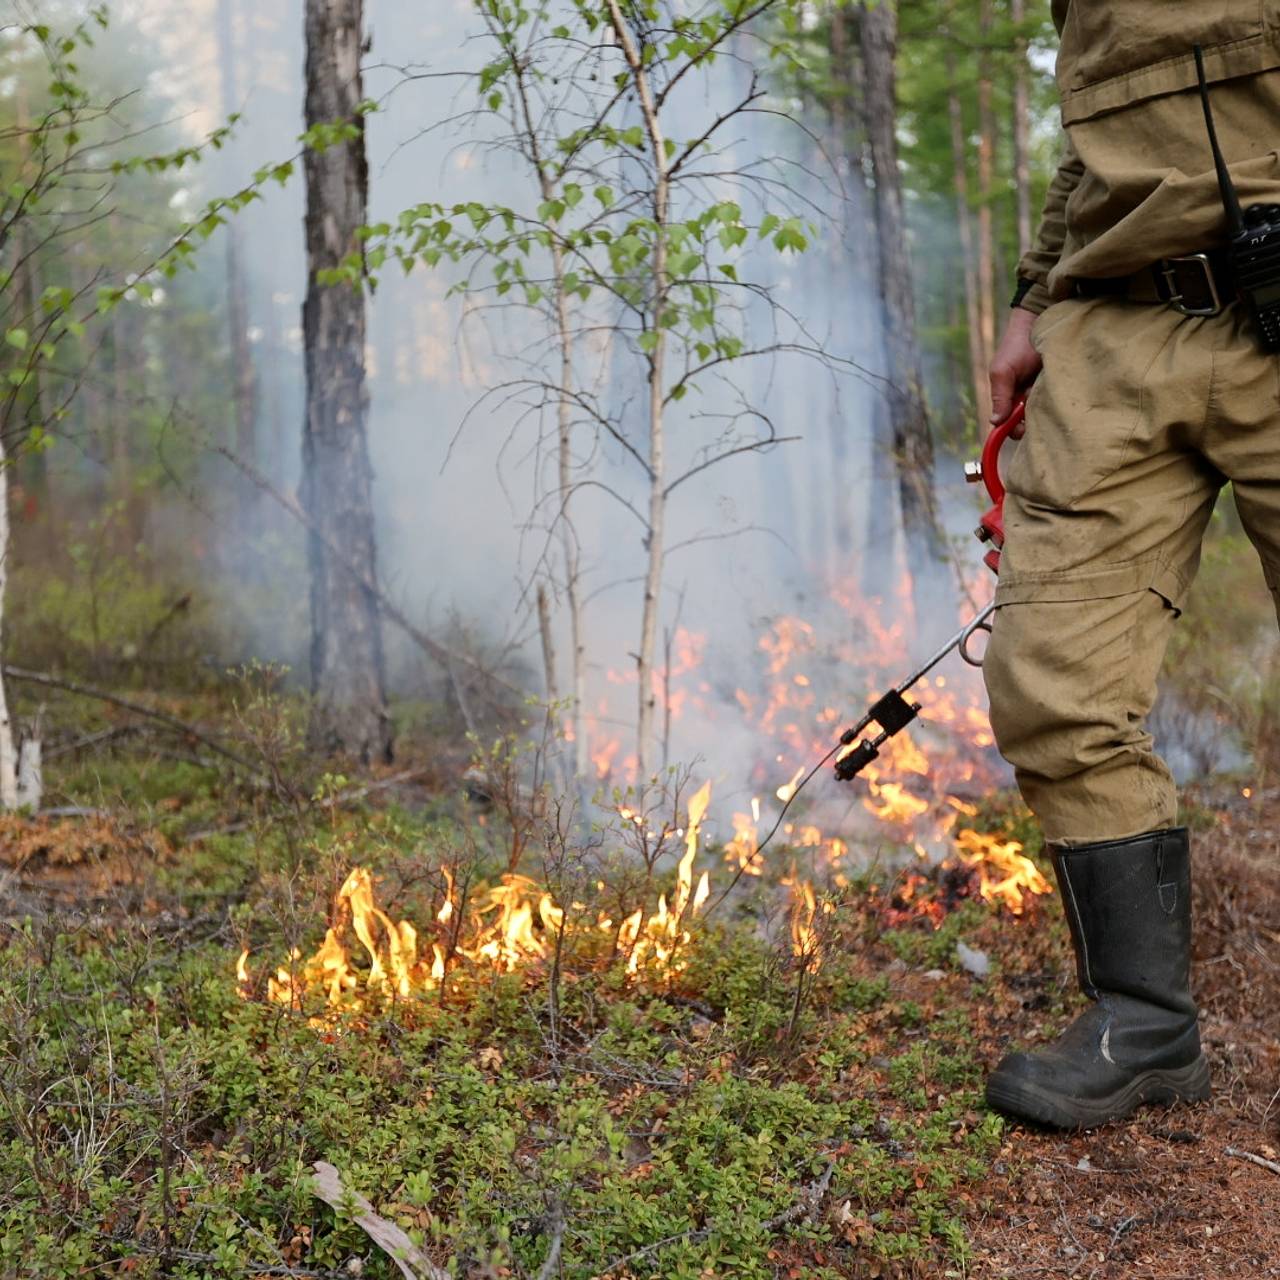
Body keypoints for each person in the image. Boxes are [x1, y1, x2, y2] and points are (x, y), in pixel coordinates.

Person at [980, 4, 1280, 1129]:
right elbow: (1098, 133)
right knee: (1050, 674)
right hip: (1111, 327)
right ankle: (1143, 1021)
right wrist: (1026, 299)